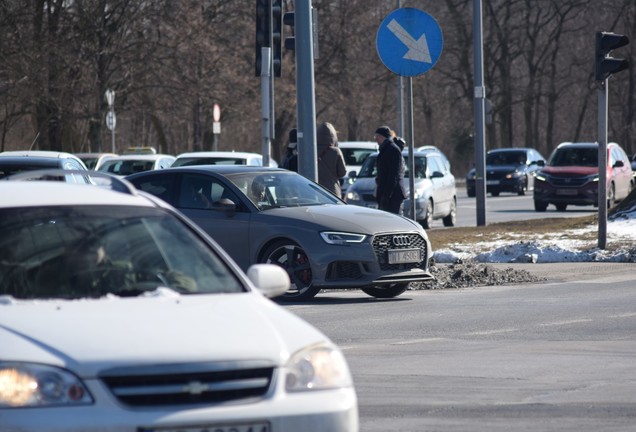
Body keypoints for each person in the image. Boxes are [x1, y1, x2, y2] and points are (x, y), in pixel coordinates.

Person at [374, 125, 406, 214]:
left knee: (394, 222)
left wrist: (386, 196)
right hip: (387, 194)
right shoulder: (386, 149)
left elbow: (393, 176)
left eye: (376, 136)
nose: (375, 139)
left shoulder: (393, 150)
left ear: (381, 136)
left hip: (393, 195)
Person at [316, 122, 346, 197]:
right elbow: (342, 172)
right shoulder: (336, 151)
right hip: (332, 191)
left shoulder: (311, 150)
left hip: (315, 190)